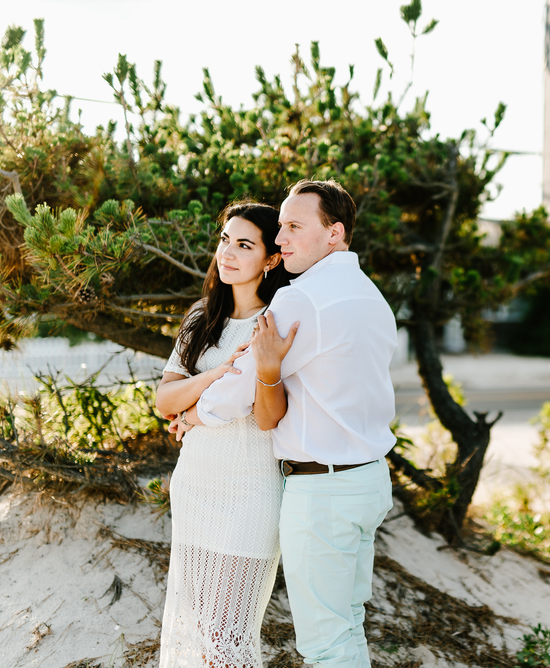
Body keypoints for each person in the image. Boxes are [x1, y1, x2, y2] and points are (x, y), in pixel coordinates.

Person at [176, 179, 398, 668]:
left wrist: (194, 413)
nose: (281, 240)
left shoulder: (303, 299)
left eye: (295, 227)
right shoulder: (372, 297)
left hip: (323, 491)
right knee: (346, 626)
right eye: (280, 228)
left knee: (325, 644)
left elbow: (240, 383)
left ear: (334, 233)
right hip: (369, 481)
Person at [155, 201, 292, 667]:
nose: (227, 253)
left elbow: (268, 414)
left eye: (244, 244)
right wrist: (213, 379)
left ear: (272, 258)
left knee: (225, 635)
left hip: (251, 490)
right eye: (224, 241)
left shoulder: (275, 321)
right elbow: (164, 401)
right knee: (201, 631)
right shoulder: (202, 318)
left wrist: (191, 404)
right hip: (195, 484)